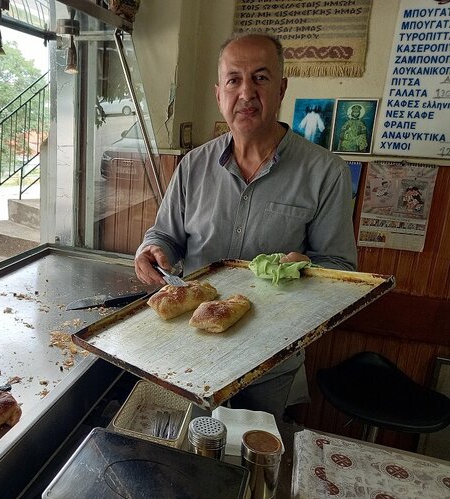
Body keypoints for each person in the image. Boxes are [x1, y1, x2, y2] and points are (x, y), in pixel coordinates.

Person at [134, 32, 357, 420]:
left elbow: (342, 270)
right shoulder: (192, 166)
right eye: (234, 80)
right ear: (218, 93)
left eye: (261, 78)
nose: (246, 93)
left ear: (282, 88)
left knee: (254, 465)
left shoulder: (326, 172)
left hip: (270, 362)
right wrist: (153, 250)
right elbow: (164, 235)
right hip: (192, 353)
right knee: (187, 456)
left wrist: (306, 268)